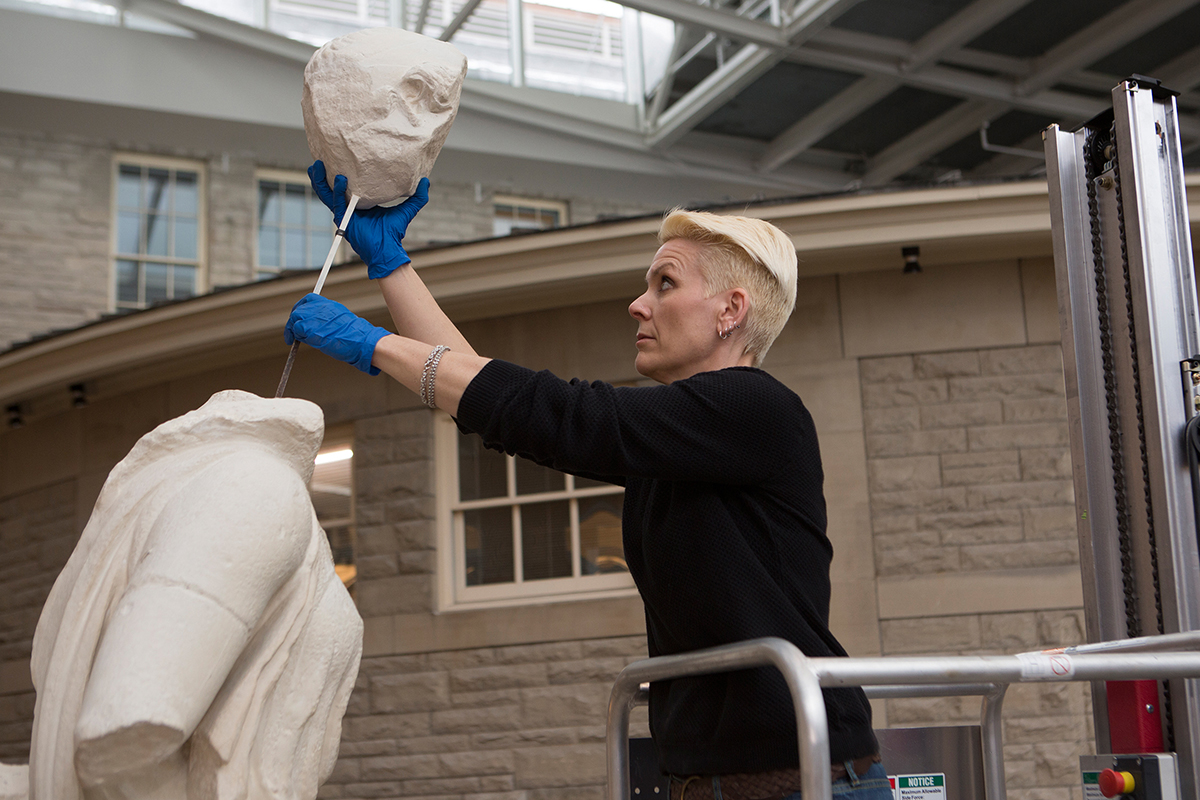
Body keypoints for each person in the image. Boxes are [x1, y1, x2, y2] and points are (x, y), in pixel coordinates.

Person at [286, 162, 890, 800]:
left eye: (665, 283)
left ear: (730, 311)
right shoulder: (681, 444)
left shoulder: (756, 411)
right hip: (705, 781)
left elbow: (552, 413)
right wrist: (390, 267)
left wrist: (375, 345)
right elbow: (497, 403)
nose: (638, 304)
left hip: (807, 779)